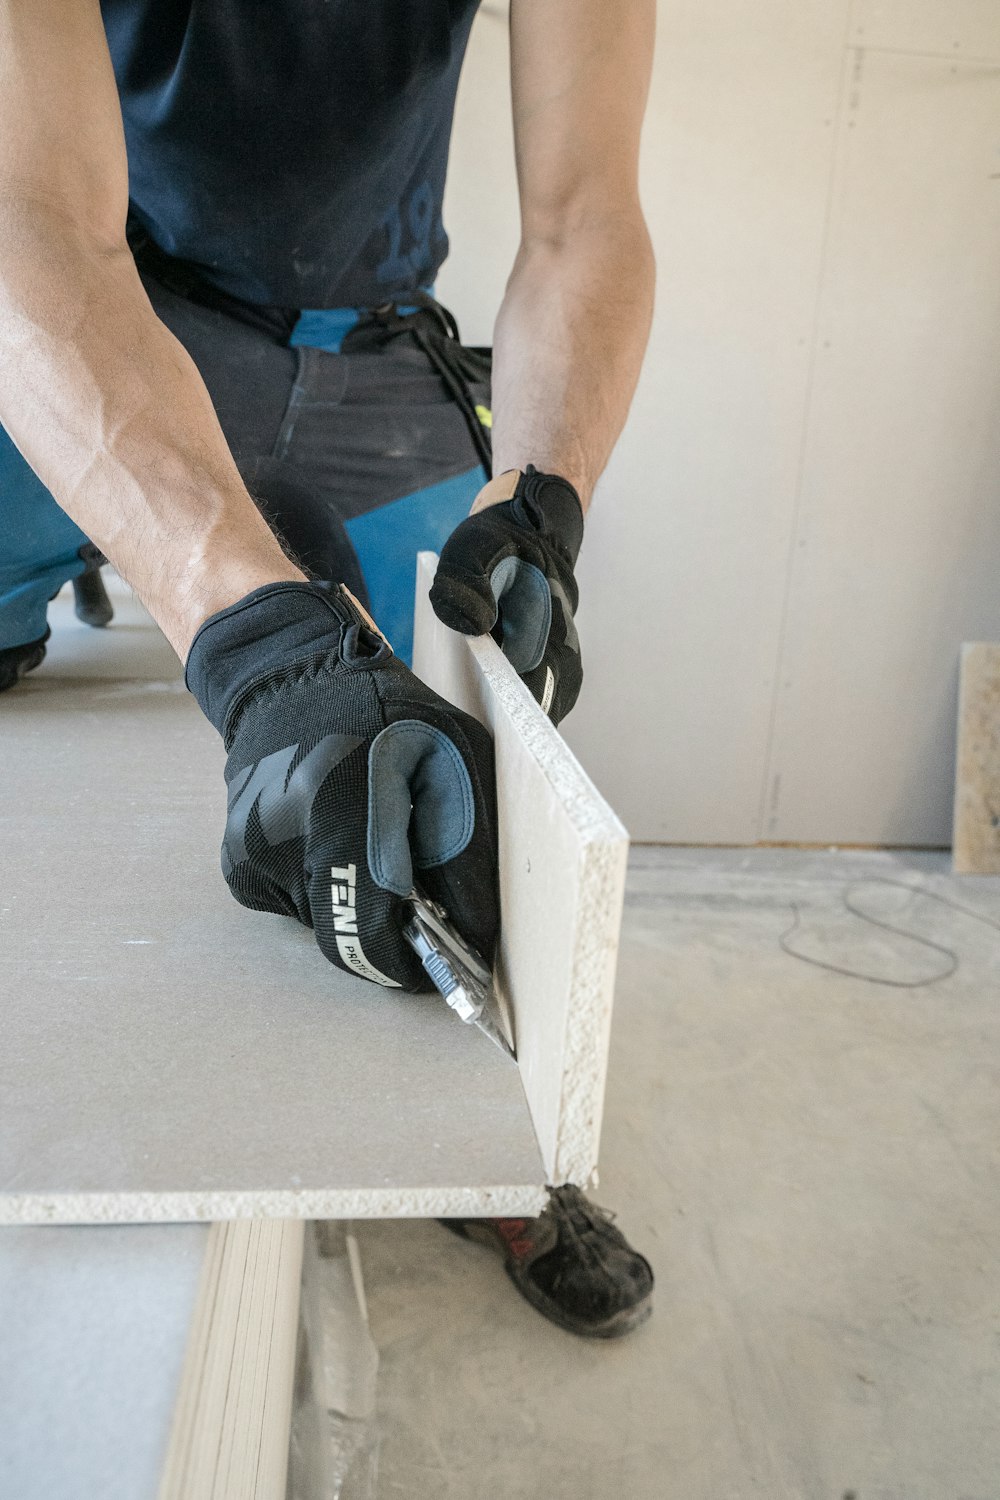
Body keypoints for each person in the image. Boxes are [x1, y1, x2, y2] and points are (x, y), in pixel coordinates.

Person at [0, 0, 657, 1338]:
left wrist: (545, 505)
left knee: (463, 757)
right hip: (103, 314)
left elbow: (585, 214)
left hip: (368, 354)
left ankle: (507, 1152)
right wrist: (252, 639)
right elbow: (34, 217)